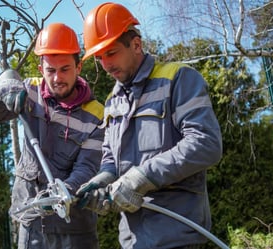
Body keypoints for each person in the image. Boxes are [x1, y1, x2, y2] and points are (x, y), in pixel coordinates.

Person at [75, 2, 223, 249]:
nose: (105, 65)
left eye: (111, 53)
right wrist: (102, 180)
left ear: (136, 44)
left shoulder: (179, 78)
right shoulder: (113, 101)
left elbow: (206, 143)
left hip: (178, 234)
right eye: (99, 57)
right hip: (133, 239)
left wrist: (141, 177)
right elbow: (112, 159)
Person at [0, 23, 104, 249]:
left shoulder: (96, 115)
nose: (57, 78)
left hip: (74, 230)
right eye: (51, 71)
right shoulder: (28, 92)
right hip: (31, 223)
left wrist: (62, 192)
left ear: (79, 67)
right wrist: (2, 86)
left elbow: (87, 168)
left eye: (65, 69)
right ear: (40, 69)